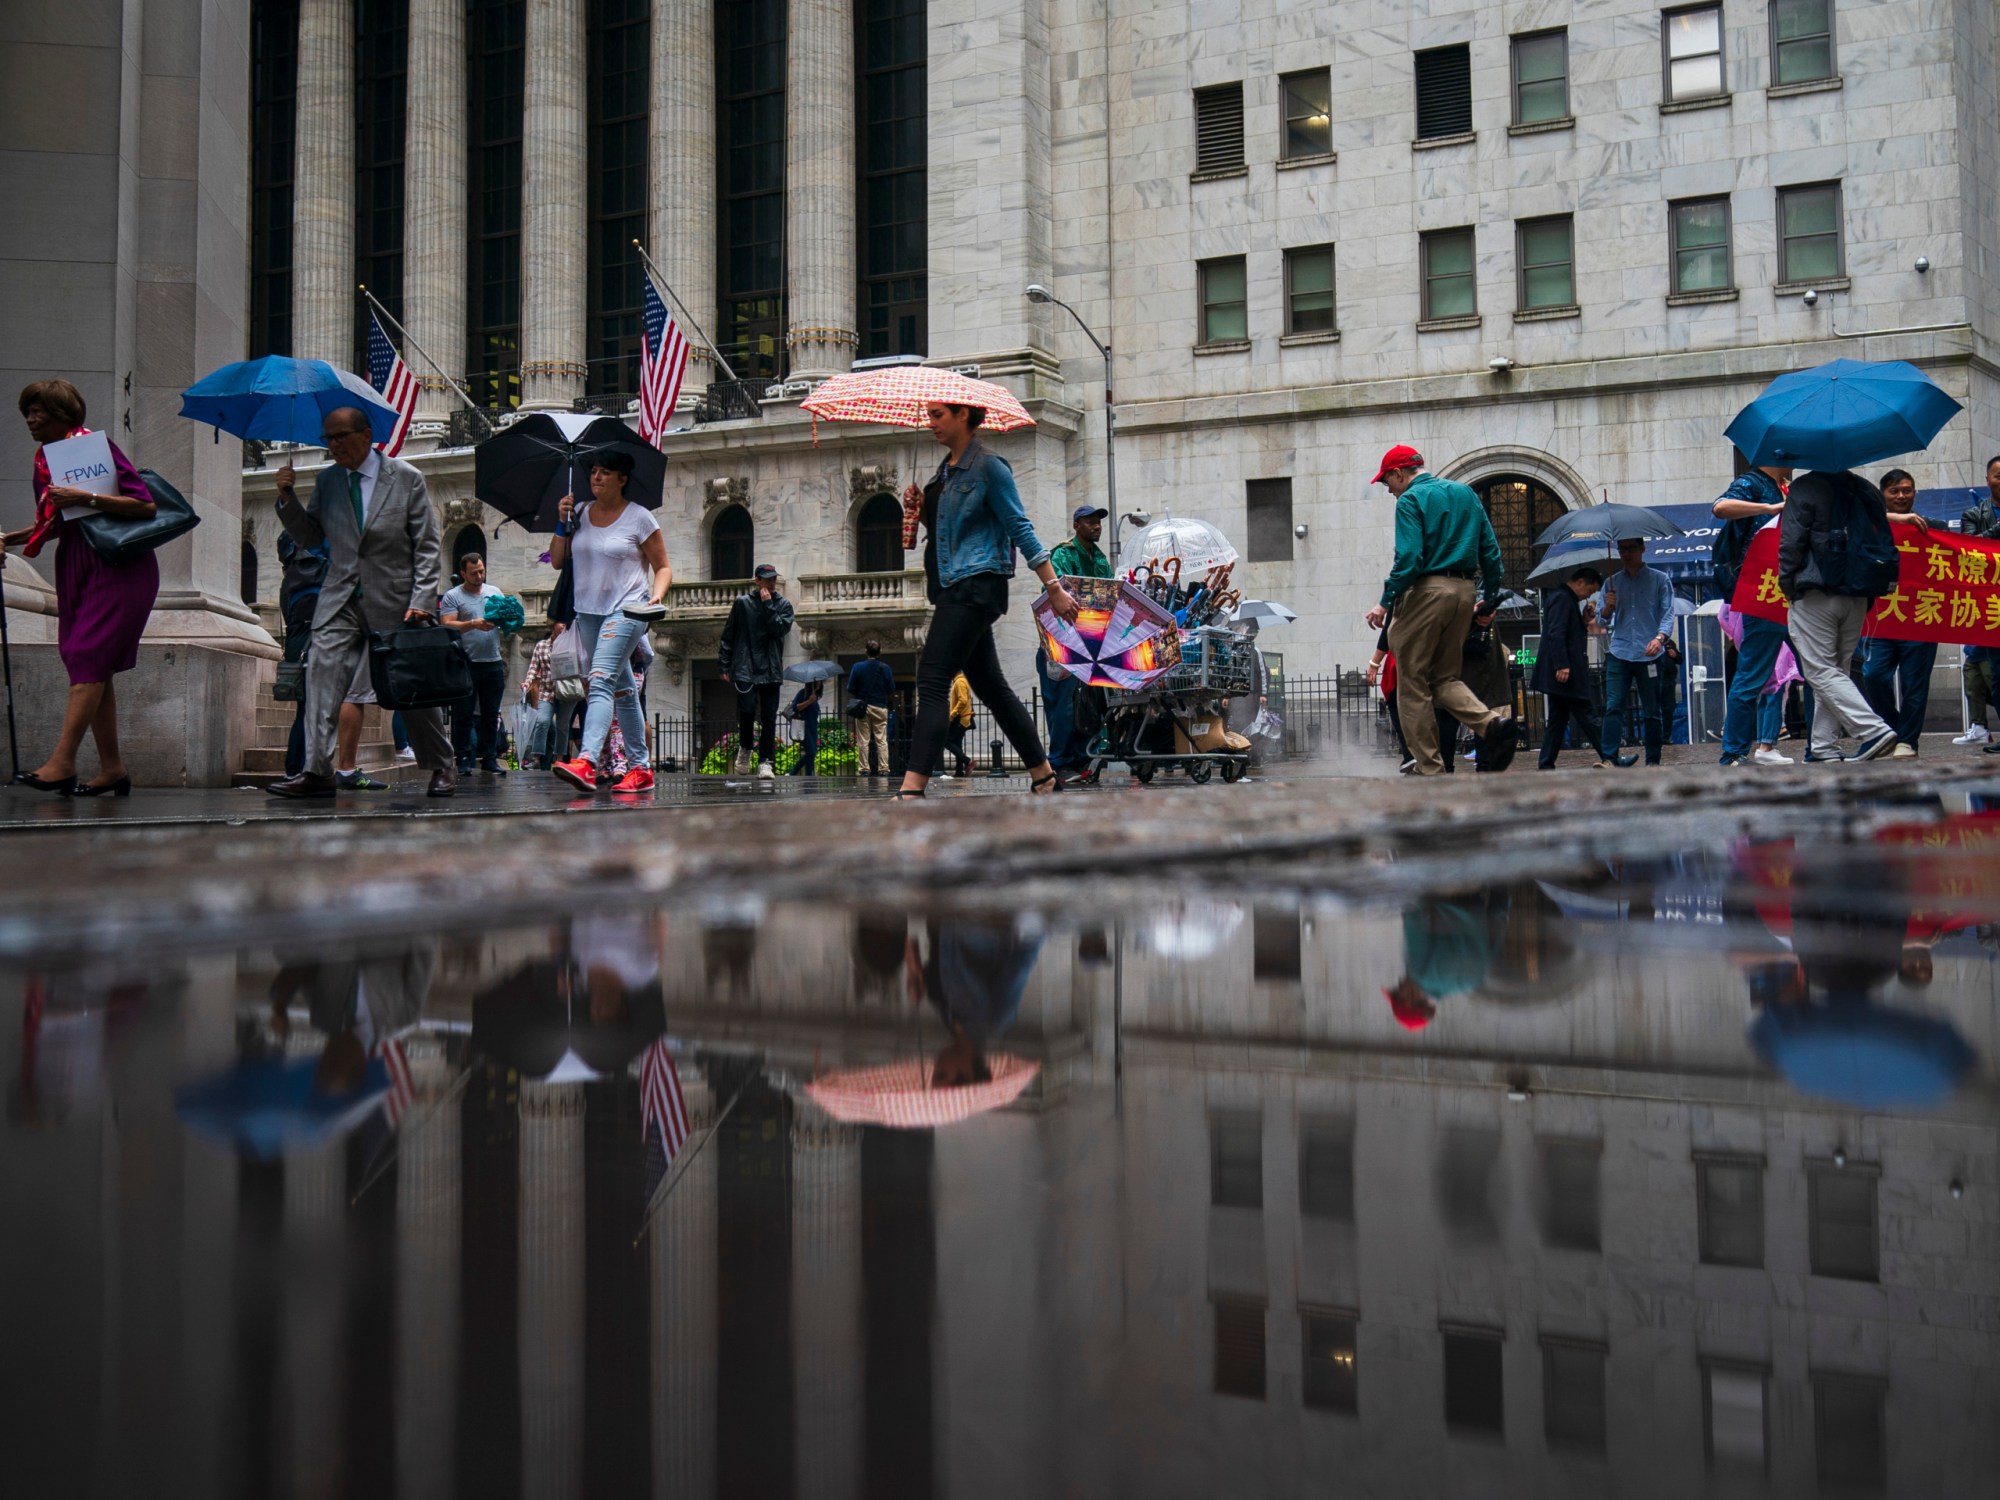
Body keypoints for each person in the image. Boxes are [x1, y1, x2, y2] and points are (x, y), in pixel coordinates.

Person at [265, 406, 458, 797]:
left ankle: (441, 765)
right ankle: (318, 771)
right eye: (328, 439)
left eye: (340, 437)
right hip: (339, 597)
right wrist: (287, 499)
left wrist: (422, 597)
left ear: (366, 435)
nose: (333, 445)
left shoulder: (406, 479)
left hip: (396, 600)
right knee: (320, 681)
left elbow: (426, 545)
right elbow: (312, 538)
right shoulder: (328, 482)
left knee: (413, 689)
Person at [893, 400, 1080, 800]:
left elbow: (1020, 528)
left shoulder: (989, 467)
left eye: (938, 415)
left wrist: (1054, 588)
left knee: (932, 678)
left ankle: (912, 788)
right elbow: (950, 531)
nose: (931, 423)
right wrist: (921, 510)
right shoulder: (946, 468)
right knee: (992, 688)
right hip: (951, 586)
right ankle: (1044, 776)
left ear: (964, 415)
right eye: (929, 415)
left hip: (974, 587)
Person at [2, 380, 161, 796]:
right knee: (87, 663)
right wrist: (10, 538)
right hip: (76, 563)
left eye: (38, 411)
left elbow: (144, 505)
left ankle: (63, 762)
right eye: (27, 412)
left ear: (63, 414)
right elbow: (54, 522)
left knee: (89, 655)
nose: (30, 419)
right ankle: (112, 769)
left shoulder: (94, 448)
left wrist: (85, 496)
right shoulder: (44, 460)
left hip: (118, 564)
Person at [1362, 444, 1515, 776]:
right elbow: (1491, 553)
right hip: (1464, 591)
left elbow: (1409, 559)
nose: (1388, 490)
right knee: (1445, 677)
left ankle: (1430, 768)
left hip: (1425, 593)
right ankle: (1492, 723)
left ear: (1399, 473)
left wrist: (1383, 602)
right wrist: (1486, 599)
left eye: (1387, 482)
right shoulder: (1465, 493)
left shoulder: (1410, 500)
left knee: (1412, 682)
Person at [548, 449, 672, 795]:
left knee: (599, 679)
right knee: (623, 690)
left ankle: (586, 762)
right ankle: (641, 769)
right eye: (594, 472)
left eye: (605, 472)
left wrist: (656, 595)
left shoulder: (639, 518)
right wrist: (562, 522)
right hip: (587, 613)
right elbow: (558, 561)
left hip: (628, 611)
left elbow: (663, 566)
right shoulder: (581, 513)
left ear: (622, 479)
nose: (596, 477)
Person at [1778, 468, 1899, 762]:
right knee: (1836, 673)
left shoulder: (1805, 487)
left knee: (1820, 671)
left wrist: (1787, 582)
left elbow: (1791, 542)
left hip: (1816, 591)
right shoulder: (1868, 489)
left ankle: (1874, 730)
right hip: (1858, 594)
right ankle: (1823, 748)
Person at [1712, 461, 1795, 766]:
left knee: (1816, 671)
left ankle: (1816, 747)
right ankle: (1733, 752)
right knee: (1752, 676)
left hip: (1790, 594)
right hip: (1763, 593)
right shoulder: (1753, 483)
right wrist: (1771, 508)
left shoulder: (1782, 487)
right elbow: (1720, 507)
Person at [1860, 469, 1935, 759]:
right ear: (1883, 495)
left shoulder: (1932, 527)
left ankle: (1908, 741)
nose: (1901, 496)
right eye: (1894, 491)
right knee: (1874, 675)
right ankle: (1893, 730)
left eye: (1907, 490)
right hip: (1880, 620)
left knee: (1914, 684)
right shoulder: (1870, 527)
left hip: (1921, 619)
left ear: (1915, 492)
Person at [1040, 504, 1112, 775]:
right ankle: (1058, 763)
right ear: (1077, 526)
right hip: (1062, 643)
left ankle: (1082, 759)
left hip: (1092, 642)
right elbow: (1055, 592)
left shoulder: (1101, 559)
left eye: (1099, 522)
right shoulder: (1063, 554)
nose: (1097, 526)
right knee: (1063, 705)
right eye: (1090, 522)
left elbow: (1108, 595)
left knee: (1089, 703)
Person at [1594, 537, 1676, 769]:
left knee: (1652, 710)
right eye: (1622, 549)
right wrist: (1608, 607)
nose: (1626, 554)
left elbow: (1668, 613)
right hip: (1619, 652)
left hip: (1649, 654)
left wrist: (1660, 639)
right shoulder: (1612, 582)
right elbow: (1602, 620)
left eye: (1631, 549)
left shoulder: (1660, 580)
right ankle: (1609, 758)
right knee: (1613, 706)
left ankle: (1653, 759)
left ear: (1642, 549)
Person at [719, 562, 794, 779]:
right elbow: (729, 635)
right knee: (747, 711)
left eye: (773, 579)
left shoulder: (783, 605)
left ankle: (765, 762)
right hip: (745, 666)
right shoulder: (742, 603)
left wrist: (768, 605)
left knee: (769, 716)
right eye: (766, 579)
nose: (771, 583)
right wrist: (724, 664)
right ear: (757, 580)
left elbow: (779, 629)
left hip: (770, 667)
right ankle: (745, 748)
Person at [440, 551, 508, 775]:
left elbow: (505, 617)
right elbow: (447, 625)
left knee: (491, 713)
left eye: (481, 571)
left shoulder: (494, 592)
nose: (479, 576)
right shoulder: (453, 596)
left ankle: (489, 758)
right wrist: (473, 623)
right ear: (463, 573)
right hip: (466, 662)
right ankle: (464, 759)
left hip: (493, 661)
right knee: (464, 713)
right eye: (474, 573)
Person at [1532, 566, 1605, 769]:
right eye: (1590, 589)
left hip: (1566, 670)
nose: (1589, 594)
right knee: (1586, 714)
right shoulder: (1562, 598)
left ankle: (1546, 763)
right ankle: (1611, 755)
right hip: (1566, 671)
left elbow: (1569, 631)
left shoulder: (1566, 599)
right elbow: (1556, 633)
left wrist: (1584, 620)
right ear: (1580, 581)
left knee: (1558, 719)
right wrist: (1562, 664)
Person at [1956, 457, 2000, 751]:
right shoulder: (1974, 514)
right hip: (1991, 604)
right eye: (1998, 475)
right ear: (1987, 479)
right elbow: (1969, 550)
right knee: (1997, 674)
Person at [846, 639, 896, 776]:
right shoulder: (885, 668)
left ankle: (864, 769)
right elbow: (891, 689)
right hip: (880, 707)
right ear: (880, 652)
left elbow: (850, 687)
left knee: (863, 740)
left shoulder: (857, 667)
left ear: (865, 651)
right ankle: (884, 768)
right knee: (881, 739)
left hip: (863, 707)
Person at [786, 678, 822, 775]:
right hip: (803, 727)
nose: (819, 682)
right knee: (811, 753)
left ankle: (807, 775)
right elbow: (795, 707)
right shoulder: (803, 693)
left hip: (813, 728)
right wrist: (809, 701)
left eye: (820, 681)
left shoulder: (816, 696)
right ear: (812, 683)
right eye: (817, 681)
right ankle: (795, 773)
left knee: (811, 754)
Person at [944, 671, 975, 777]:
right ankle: (959, 770)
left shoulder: (960, 682)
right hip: (961, 718)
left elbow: (963, 700)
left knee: (946, 741)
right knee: (957, 743)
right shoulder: (959, 681)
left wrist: (952, 714)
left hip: (960, 719)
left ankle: (968, 761)